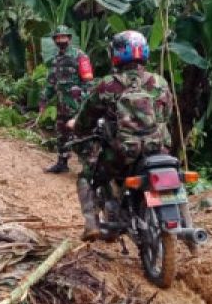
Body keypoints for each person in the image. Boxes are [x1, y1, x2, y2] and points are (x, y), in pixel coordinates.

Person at [68, 30, 172, 241]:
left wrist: (77, 127)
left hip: (122, 153)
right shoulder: (159, 82)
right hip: (157, 149)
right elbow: (166, 114)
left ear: (115, 54)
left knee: (88, 174)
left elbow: (87, 117)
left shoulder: (108, 84)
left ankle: (91, 224)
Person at [39, 26, 94, 173]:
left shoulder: (80, 56)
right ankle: (62, 163)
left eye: (63, 37)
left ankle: (88, 168)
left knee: (82, 135)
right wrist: (44, 99)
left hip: (77, 105)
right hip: (62, 104)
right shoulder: (56, 59)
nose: (60, 40)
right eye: (58, 38)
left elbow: (88, 82)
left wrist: (84, 101)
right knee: (61, 134)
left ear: (69, 39)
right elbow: (51, 82)